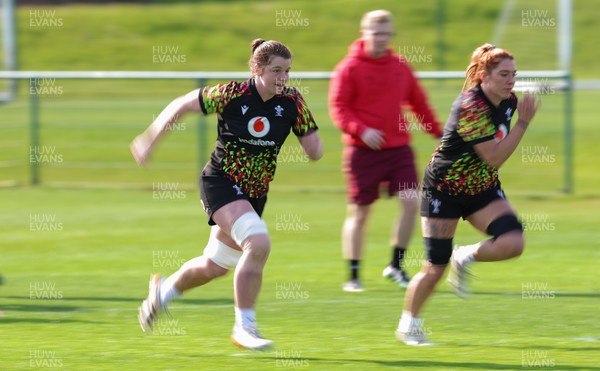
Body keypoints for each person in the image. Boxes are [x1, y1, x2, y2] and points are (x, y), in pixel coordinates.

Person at [131, 39, 323, 351]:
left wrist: (310, 138)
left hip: (253, 195)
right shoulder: (233, 93)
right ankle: (244, 327)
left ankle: (163, 292)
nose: (283, 78)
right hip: (220, 182)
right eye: (276, 70)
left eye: (287, 71)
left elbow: (315, 150)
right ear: (257, 69)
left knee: (214, 266)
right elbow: (182, 104)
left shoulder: (292, 101)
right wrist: (150, 138)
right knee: (258, 243)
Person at [396, 43, 540, 345]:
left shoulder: (509, 101)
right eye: (503, 74)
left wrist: (520, 118)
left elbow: (491, 161)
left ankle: (465, 256)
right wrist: (524, 123)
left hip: (482, 189)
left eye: (514, 74)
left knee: (513, 242)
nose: (510, 80)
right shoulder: (470, 106)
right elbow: (494, 157)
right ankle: (410, 324)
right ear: (484, 76)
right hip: (444, 189)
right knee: (435, 267)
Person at [328, 10, 443, 292]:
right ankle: (353, 275)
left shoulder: (400, 66)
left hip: (398, 151)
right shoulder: (348, 68)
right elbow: (338, 109)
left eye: (386, 34)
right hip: (361, 152)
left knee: (411, 201)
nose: (381, 39)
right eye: (375, 33)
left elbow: (419, 104)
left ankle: (396, 265)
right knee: (360, 212)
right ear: (363, 33)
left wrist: (441, 134)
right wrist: (362, 130)